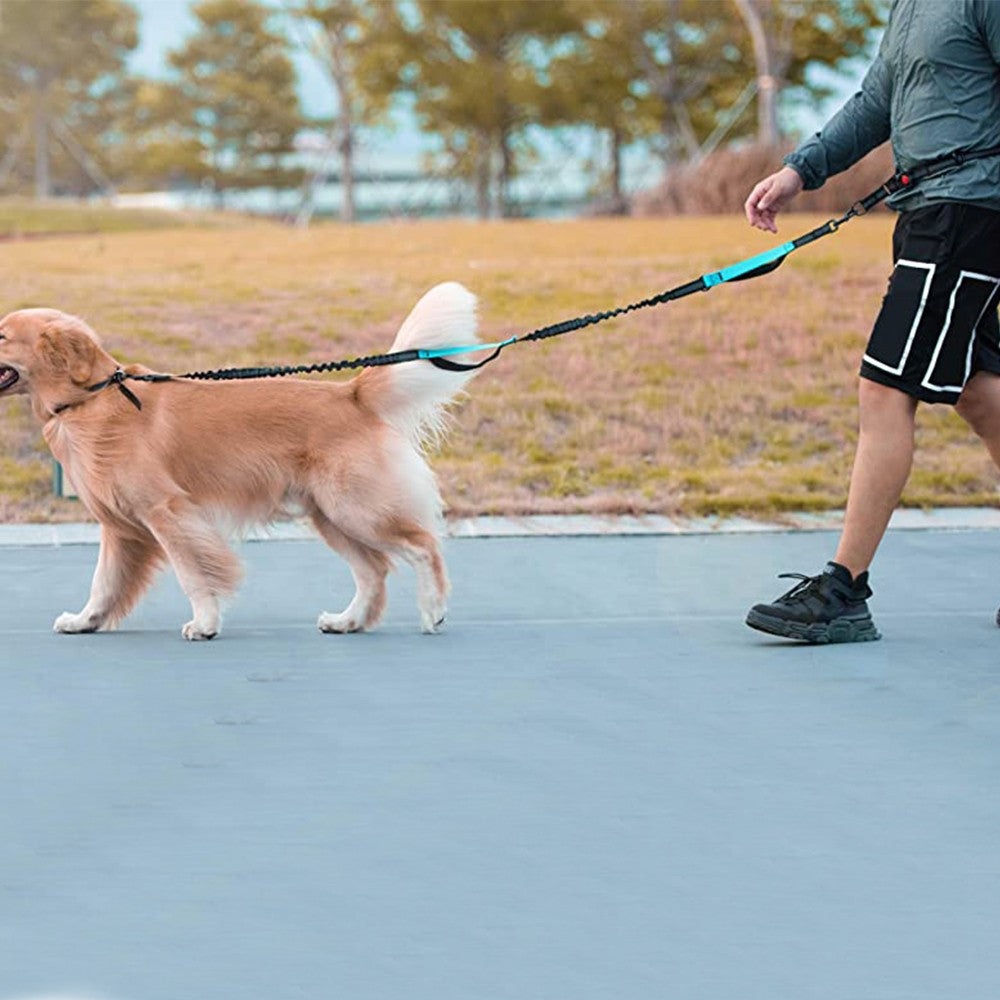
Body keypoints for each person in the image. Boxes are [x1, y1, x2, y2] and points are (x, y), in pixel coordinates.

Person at [742, 0, 1000, 643]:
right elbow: (876, 101)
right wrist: (799, 170)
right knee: (977, 391)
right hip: (926, 211)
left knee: (885, 387)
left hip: (967, 214)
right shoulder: (911, 7)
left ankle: (843, 590)